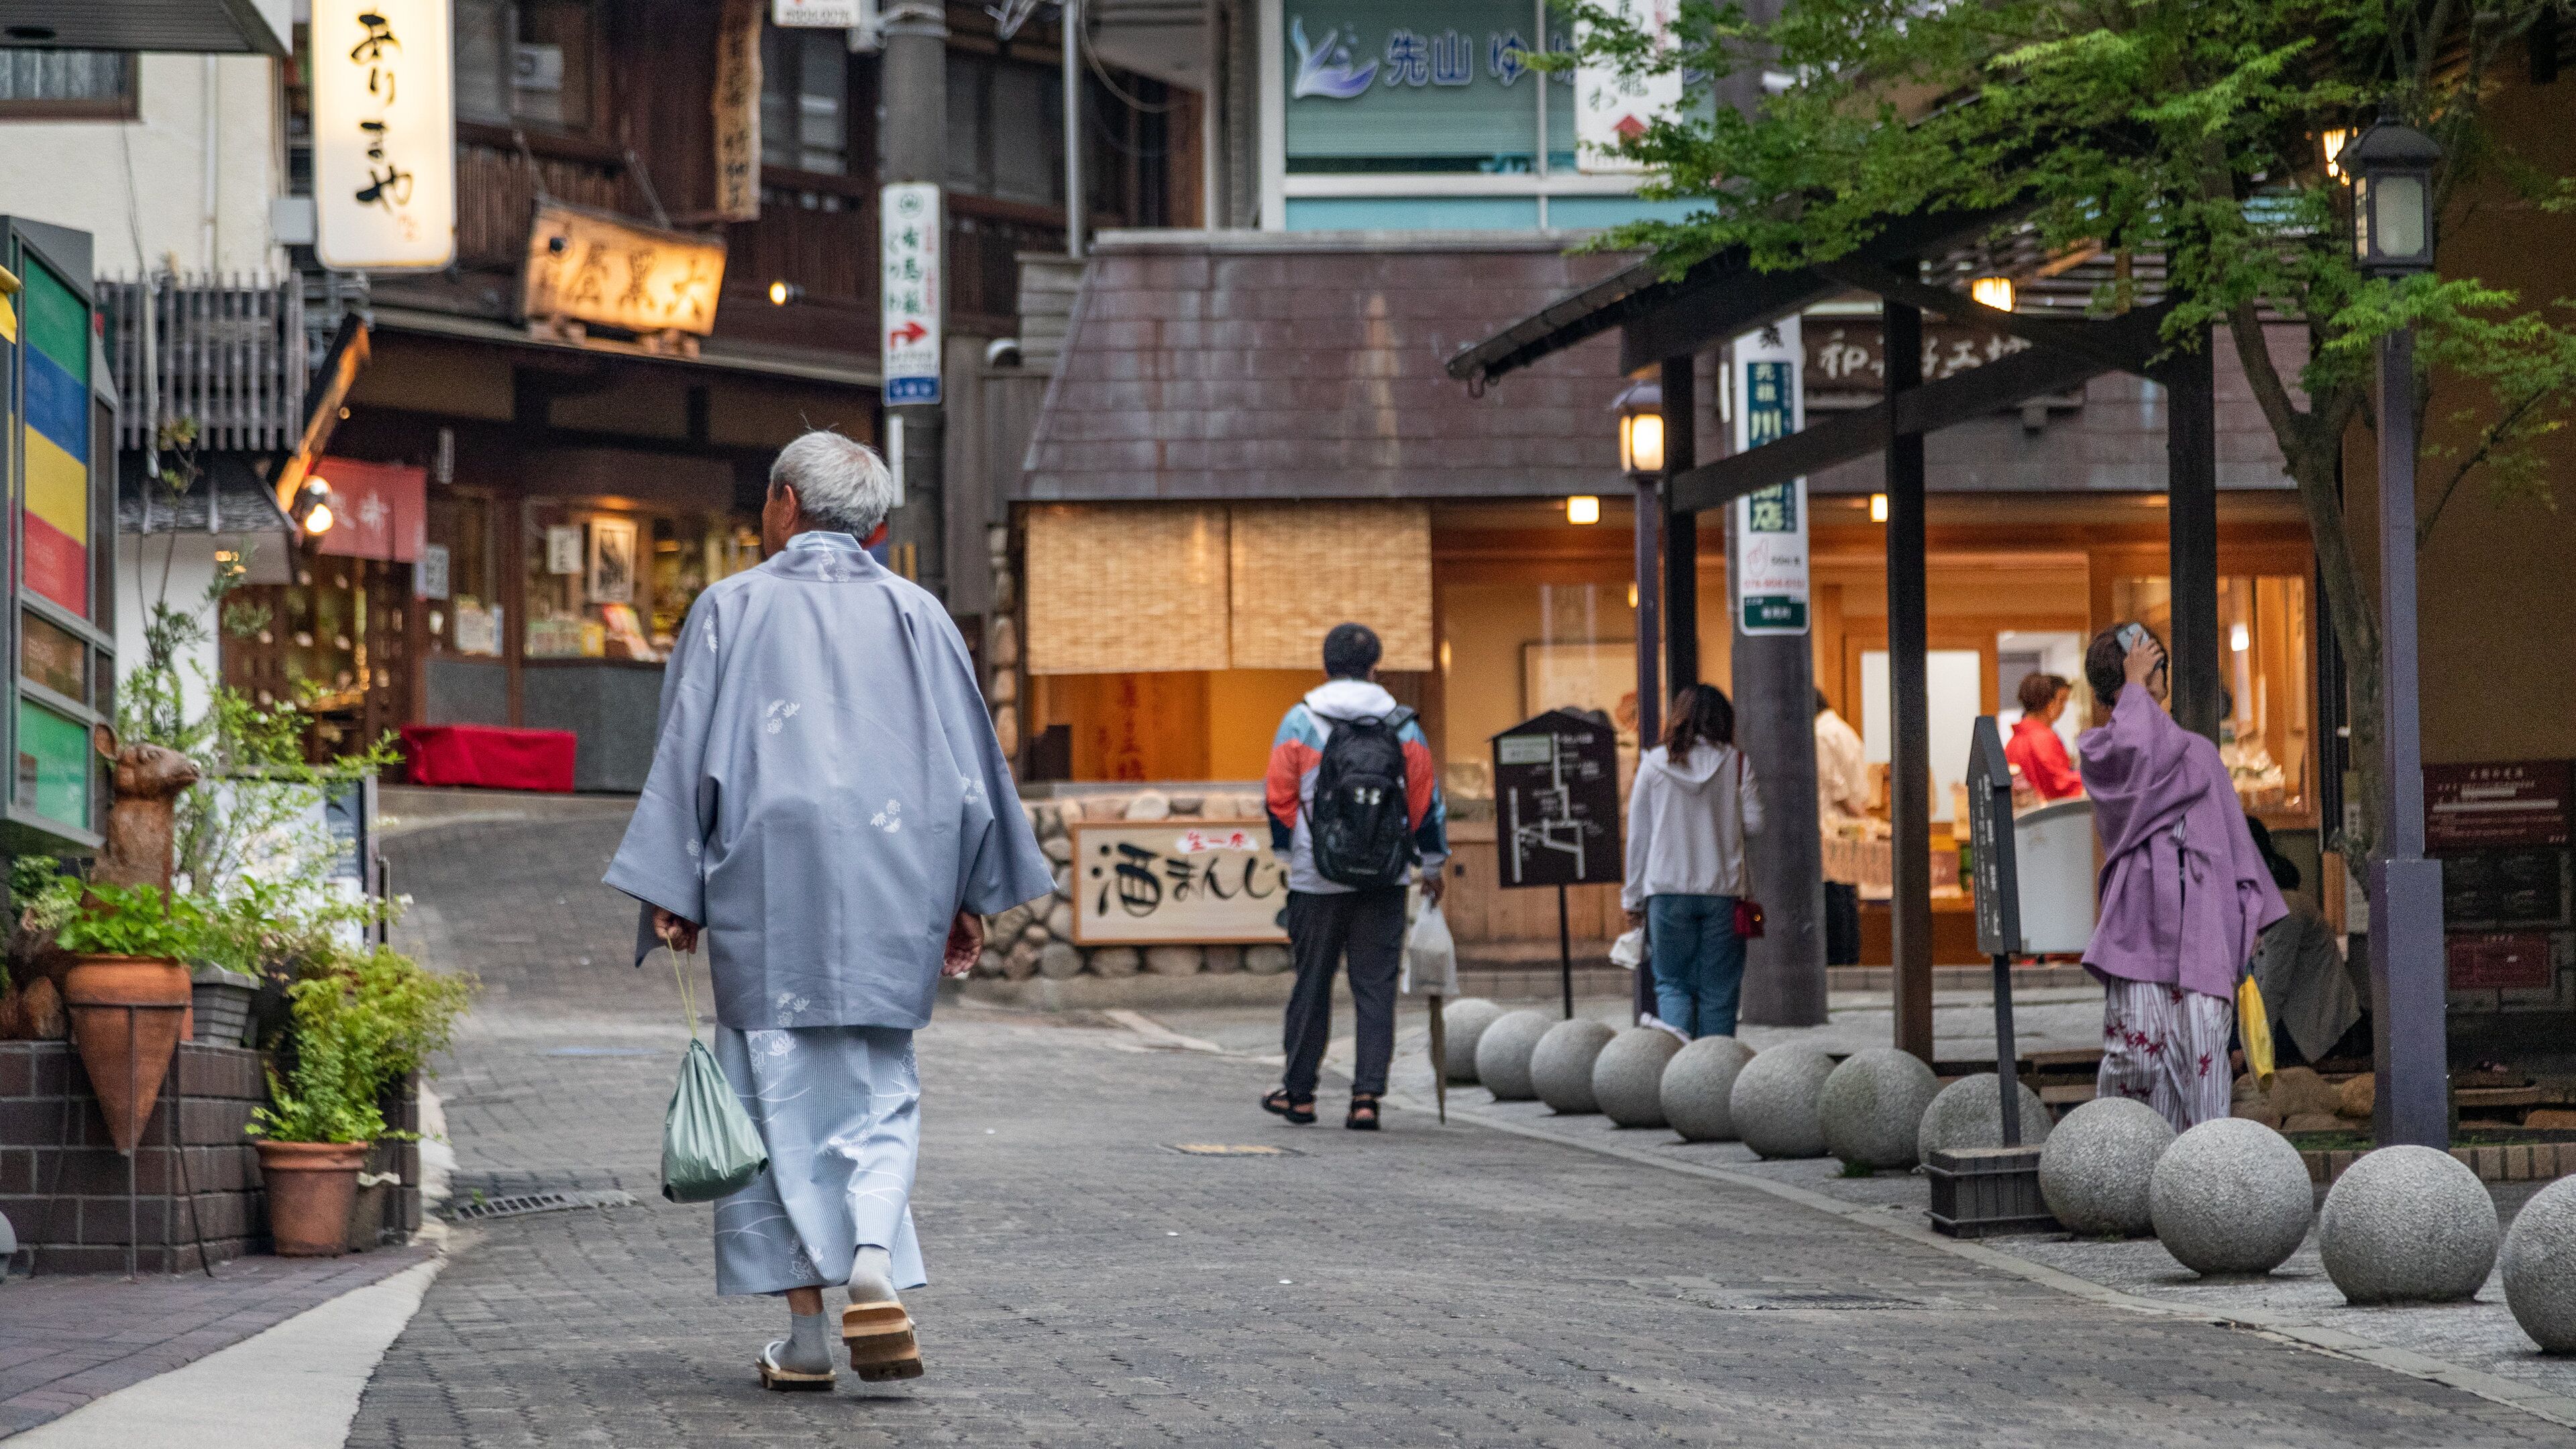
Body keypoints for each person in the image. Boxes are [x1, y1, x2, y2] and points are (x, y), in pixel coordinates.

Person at [604, 431, 1053, 1392]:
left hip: (768, 885)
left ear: (783, 506)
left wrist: (674, 894)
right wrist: (966, 897)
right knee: (880, 1092)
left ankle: (809, 1337)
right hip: (897, 886)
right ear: (875, 525)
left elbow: (688, 755)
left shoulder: (729, 608)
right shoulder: (920, 615)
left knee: (772, 1107)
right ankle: (875, 1269)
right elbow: (971, 772)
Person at [2077, 623, 2285, 1131]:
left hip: (2205, 927)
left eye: (2153, 669)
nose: (2153, 680)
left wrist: (2249, 908)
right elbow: (2141, 754)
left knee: (2203, 1064)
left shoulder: (2201, 753)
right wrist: (2134, 687)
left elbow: (2235, 843)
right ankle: (2125, 1166)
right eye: (2145, 671)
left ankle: (2195, 1188)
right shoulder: (2103, 752)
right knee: (2136, 1059)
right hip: (2140, 925)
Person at [1260, 623, 1448, 1132]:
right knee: (1375, 987)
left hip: (1316, 877)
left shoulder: (1301, 720)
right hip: (1385, 877)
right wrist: (1430, 864)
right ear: (1375, 668)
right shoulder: (1402, 723)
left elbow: (1278, 797)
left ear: (1324, 667)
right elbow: (1424, 801)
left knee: (1311, 984)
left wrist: (1291, 851)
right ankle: (1366, 1098)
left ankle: (1299, 1094)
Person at [1622, 684, 1765, 1038]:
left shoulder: (1653, 764)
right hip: (1723, 892)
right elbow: (1755, 823)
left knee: (1672, 984)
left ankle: (1680, 1074)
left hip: (1666, 893)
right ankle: (1715, 1072)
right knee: (1720, 990)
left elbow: (1638, 835)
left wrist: (1632, 898)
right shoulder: (1737, 763)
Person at [2245, 817, 2362, 1067]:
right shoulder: (2262, 907)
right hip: (2299, 1026)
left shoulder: (2285, 908)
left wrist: (2249, 1055)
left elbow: (2272, 989)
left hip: (2318, 1035)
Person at [1813, 688, 1870, 967]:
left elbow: (1837, 787)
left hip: (1832, 827)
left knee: (1835, 897)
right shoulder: (1844, 731)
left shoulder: (1821, 735)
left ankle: (1840, 963)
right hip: (1849, 828)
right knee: (1846, 896)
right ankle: (1849, 959)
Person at [2006, 672, 2084, 802]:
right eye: (2061, 700)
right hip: (2046, 816)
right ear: (2049, 703)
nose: (2063, 708)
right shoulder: (2043, 738)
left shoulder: (2013, 742)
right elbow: (2060, 784)